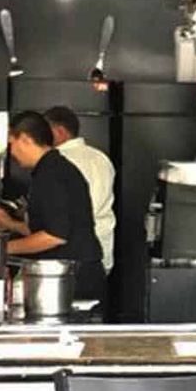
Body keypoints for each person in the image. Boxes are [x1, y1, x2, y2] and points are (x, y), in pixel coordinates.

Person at [0, 110, 106, 303]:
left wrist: (1, 250)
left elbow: (54, 236)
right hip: (73, 270)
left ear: (25, 139)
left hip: (74, 276)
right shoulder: (51, 168)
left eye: (12, 144)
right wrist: (10, 224)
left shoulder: (51, 175)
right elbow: (47, 227)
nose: (12, 152)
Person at [44, 105, 116, 275]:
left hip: (72, 252)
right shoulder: (100, 157)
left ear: (60, 132)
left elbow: (61, 217)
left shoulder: (59, 161)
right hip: (102, 248)